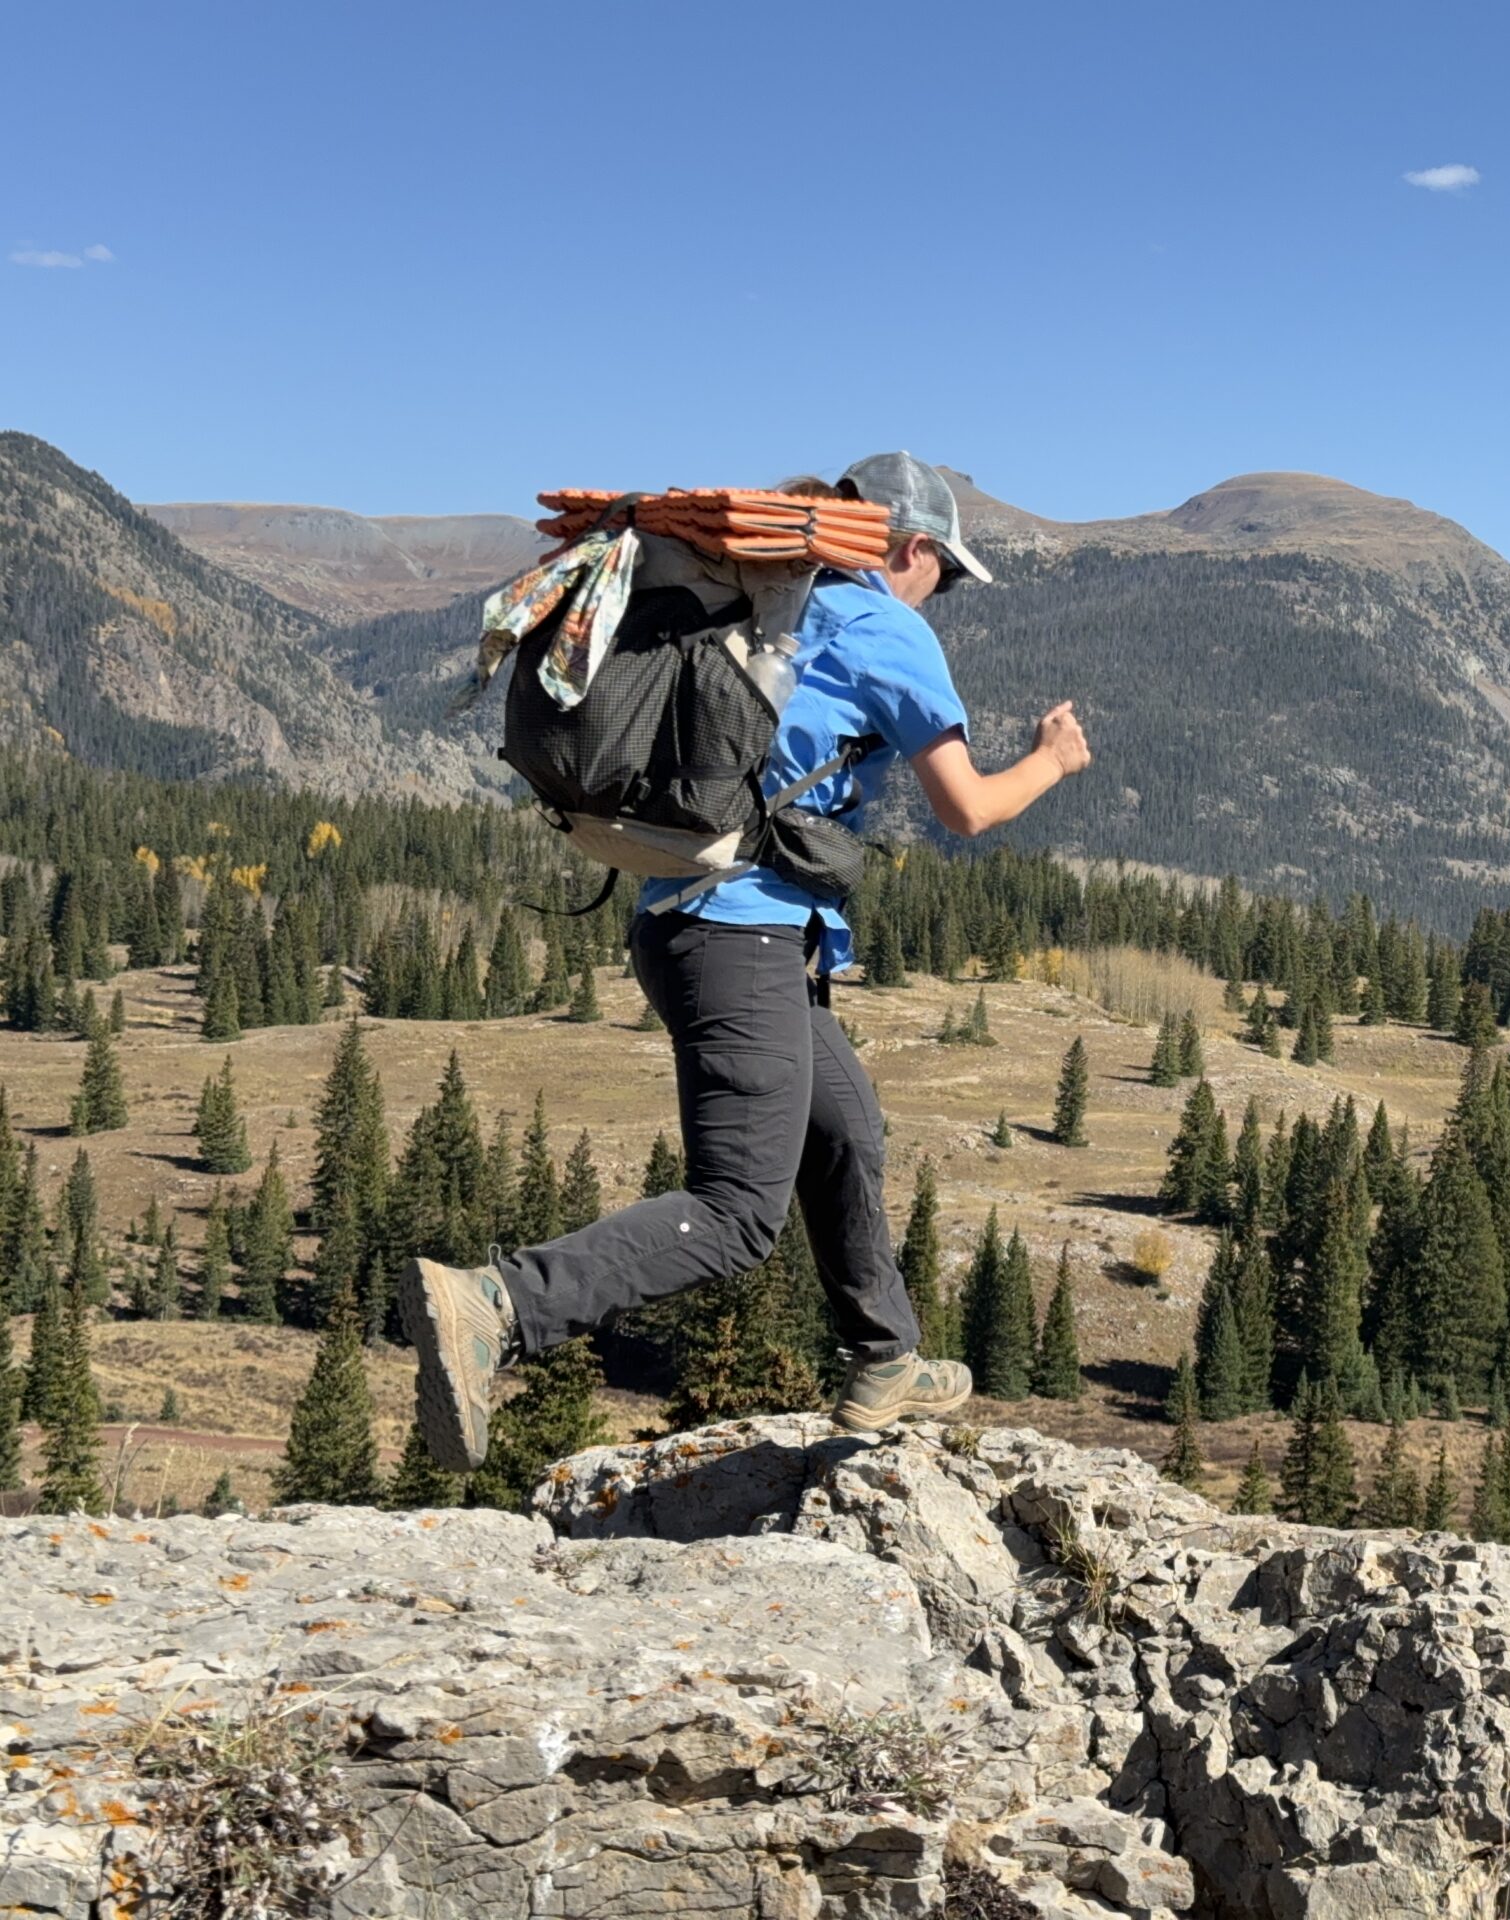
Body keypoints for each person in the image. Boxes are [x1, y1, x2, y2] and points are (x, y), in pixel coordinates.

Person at [402, 451, 1091, 1472]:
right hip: (742, 934)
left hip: (688, 919)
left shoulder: (759, 607)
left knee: (845, 1124)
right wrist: (1051, 759)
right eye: (941, 574)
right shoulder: (881, 627)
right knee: (734, 1215)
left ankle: (884, 1357)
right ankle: (498, 1305)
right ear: (909, 549)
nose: (937, 594)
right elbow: (969, 809)